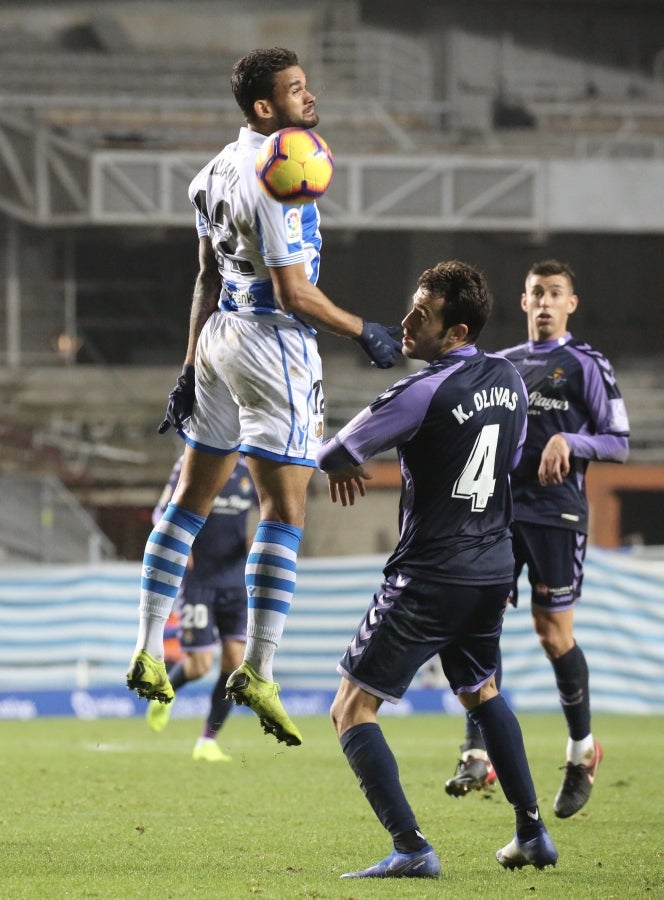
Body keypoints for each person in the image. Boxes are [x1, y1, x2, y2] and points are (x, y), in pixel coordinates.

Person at [125, 47, 401, 747]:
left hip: (219, 338)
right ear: (263, 107)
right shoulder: (276, 174)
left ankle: (148, 648)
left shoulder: (211, 171)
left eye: (307, 86)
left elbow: (204, 278)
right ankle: (261, 669)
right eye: (296, 90)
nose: (309, 98)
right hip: (271, 341)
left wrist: (189, 366)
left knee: (190, 500)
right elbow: (295, 294)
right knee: (285, 508)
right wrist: (362, 329)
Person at [316, 260, 558, 878]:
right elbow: (506, 461)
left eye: (420, 313)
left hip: (431, 572)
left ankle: (411, 848)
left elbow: (337, 452)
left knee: (350, 707)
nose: (405, 322)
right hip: (491, 566)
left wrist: (338, 459)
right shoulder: (509, 377)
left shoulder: (422, 390)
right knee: (482, 692)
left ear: (453, 332)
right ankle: (532, 833)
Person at [444, 259, 629, 819]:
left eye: (555, 294)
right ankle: (477, 752)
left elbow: (618, 442)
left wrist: (570, 440)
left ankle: (581, 752)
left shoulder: (586, 364)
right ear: (523, 303)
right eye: (535, 293)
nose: (544, 302)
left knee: (553, 635)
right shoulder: (499, 366)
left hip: (556, 514)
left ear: (570, 303)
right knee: (479, 621)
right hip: (498, 514)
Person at [145, 454, 258, 762]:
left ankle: (207, 740)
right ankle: (165, 692)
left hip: (235, 580)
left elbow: (272, 509)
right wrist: (180, 543)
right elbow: (160, 513)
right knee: (199, 666)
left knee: (236, 664)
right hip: (199, 580)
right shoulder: (192, 460)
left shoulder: (252, 467)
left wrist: (258, 539)